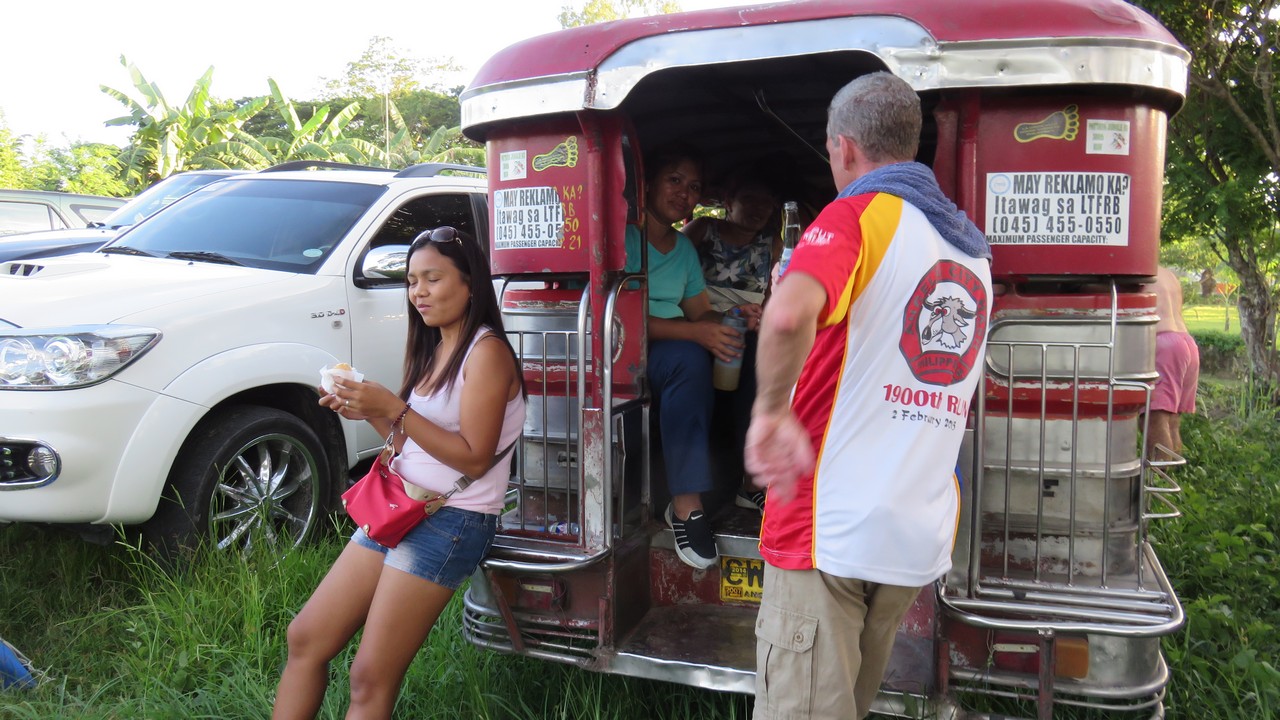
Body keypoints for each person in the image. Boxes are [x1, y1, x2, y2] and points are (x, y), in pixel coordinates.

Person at [745, 72, 993, 720]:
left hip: (829, 527)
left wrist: (769, 412)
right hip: (909, 530)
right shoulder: (970, 250)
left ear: (844, 148)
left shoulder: (857, 216)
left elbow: (787, 316)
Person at [272, 226, 525, 719]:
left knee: (369, 677)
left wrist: (392, 405)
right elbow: (410, 441)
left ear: (471, 284)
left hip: (453, 520)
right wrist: (366, 409)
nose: (419, 292)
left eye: (433, 278)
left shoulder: (486, 352)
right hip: (402, 505)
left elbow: (474, 458)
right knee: (305, 637)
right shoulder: (435, 347)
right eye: (412, 281)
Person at [626, 142, 760, 569]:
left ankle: (751, 479)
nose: (684, 193)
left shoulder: (682, 250)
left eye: (694, 186)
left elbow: (700, 313)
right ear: (648, 184)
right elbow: (620, 318)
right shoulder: (622, 238)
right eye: (674, 180)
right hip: (630, 350)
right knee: (688, 357)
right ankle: (685, 507)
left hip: (678, 342)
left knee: (750, 348)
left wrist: (733, 318)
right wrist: (694, 333)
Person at [682, 168, 780, 512]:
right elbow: (675, 268)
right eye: (750, 199)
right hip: (702, 322)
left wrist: (765, 321)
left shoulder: (773, 242)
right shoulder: (702, 230)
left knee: (764, 368)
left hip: (749, 328)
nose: (759, 208)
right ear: (728, 202)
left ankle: (752, 481)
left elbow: (774, 295)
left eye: (766, 202)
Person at [1148, 266, 1200, 459]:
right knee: (1172, 422)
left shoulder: (1137, 270)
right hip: (1185, 342)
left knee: (1155, 420)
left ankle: (1159, 476)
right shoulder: (1167, 274)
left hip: (1163, 344)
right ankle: (1176, 474)